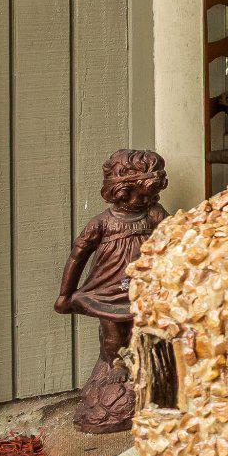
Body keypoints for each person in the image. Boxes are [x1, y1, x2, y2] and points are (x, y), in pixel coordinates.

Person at [55, 149, 168, 433]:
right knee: (113, 333)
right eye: (135, 196)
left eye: (146, 196)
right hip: (108, 289)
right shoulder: (102, 222)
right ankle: (114, 371)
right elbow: (77, 256)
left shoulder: (154, 214)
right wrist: (65, 294)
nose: (141, 202)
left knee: (144, 332)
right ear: (119, 191)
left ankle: (144, 377)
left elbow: (174, 240)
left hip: (144, 286)